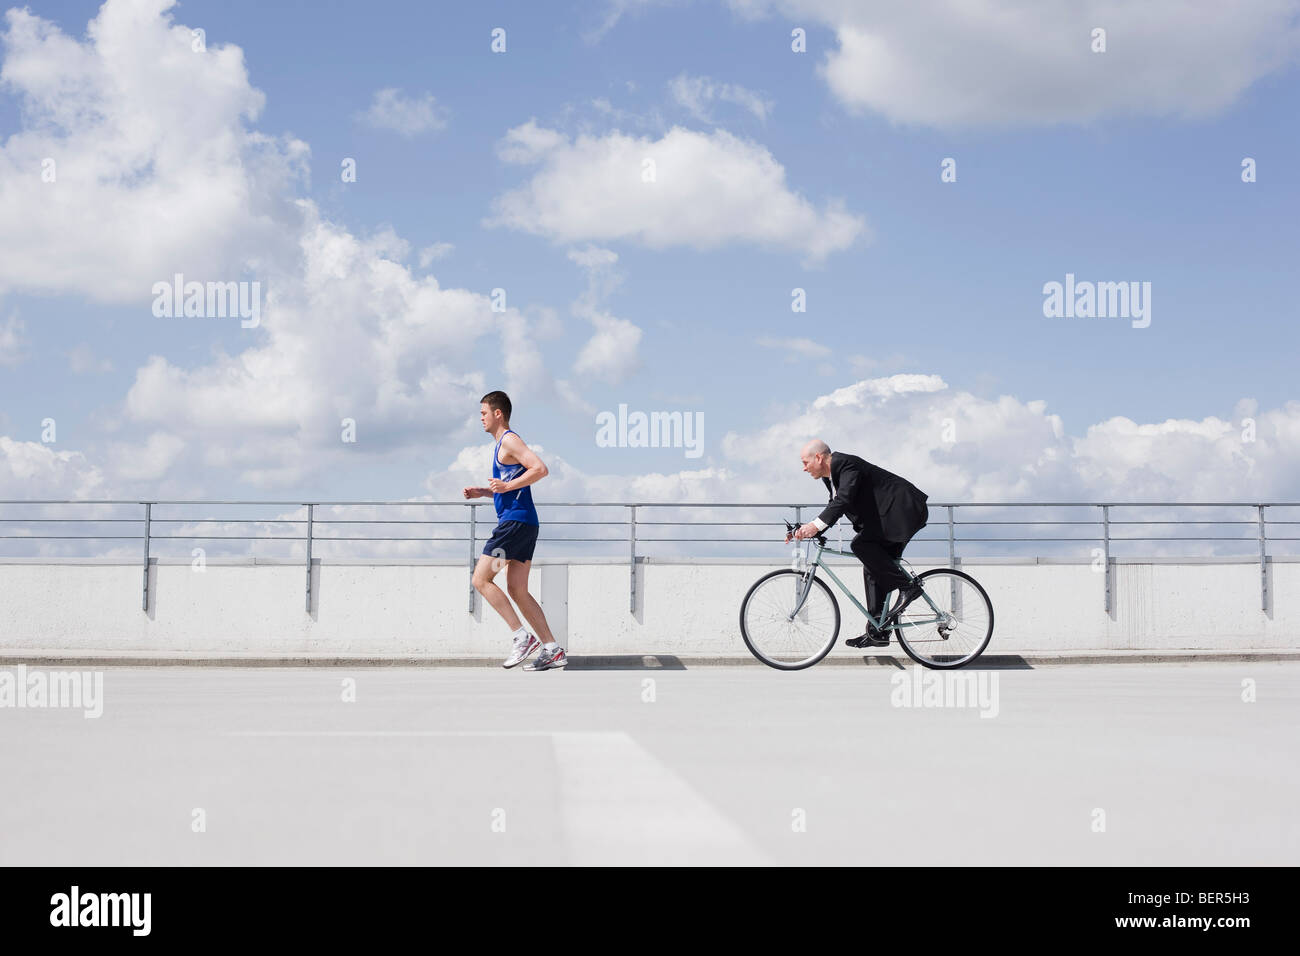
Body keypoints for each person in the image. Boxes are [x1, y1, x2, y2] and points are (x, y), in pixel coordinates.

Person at [786, 439, 929, 647]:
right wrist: (805, 529)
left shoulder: (845, 464)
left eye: (805, 462)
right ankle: (878, 630)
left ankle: (908, 588)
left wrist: (815, 526)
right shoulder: (832, 477)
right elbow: (835, 505)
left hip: (903, 511)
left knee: (861, 546)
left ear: (819, 457)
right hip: (889, 516)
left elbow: (844, 500)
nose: (804, 468)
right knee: (872, 565)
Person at [462, 391, 567, 671]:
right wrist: (484, 491)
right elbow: (510, 483)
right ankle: (552, 649)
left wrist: (506, 487)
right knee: (517, 589)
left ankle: (521, 636)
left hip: (513, 525)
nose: (480, 418)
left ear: (498, 413)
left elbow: (540, 469)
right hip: (524, 525)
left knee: (481, 579)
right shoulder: (501, 446)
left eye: (483, 413)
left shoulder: (509, 440)